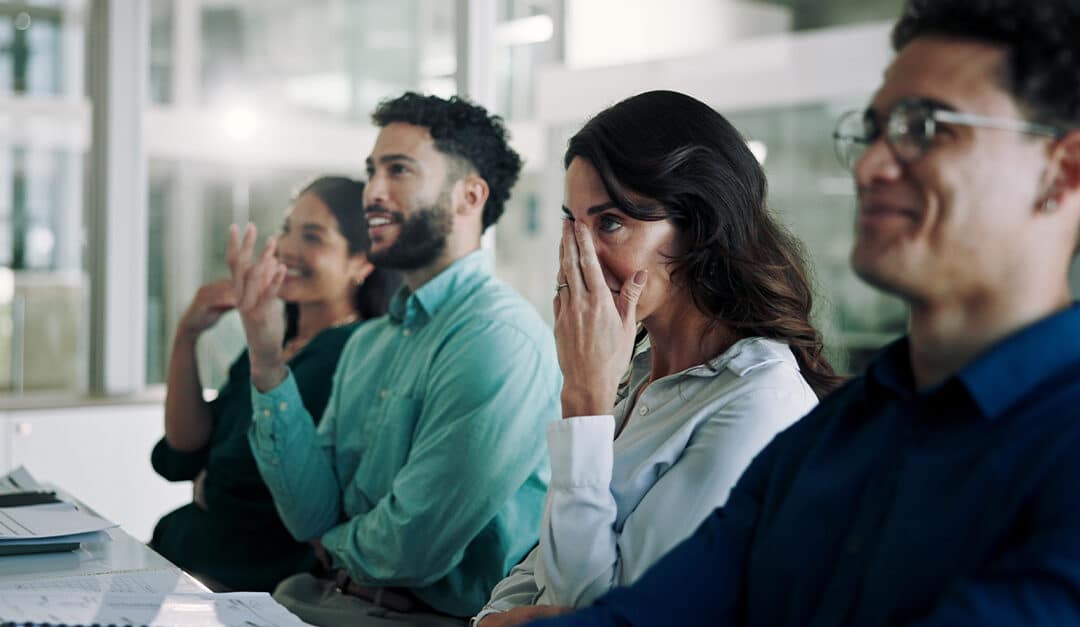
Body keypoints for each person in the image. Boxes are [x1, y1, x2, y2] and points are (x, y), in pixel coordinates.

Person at [526, 1, 1080, 625]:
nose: (869, 165)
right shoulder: (836, 433)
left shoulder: (1058, 443)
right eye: (872, 132)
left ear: (1062, 173)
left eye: (926, 128)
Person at [472, 90, 839, 627]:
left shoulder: (759, 403)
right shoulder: (637, 375)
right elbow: (534, 571)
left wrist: (585, 402)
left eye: (611, 223)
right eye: (573, 223)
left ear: (698, 231)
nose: (580, 255)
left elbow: (605, 614)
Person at [228, 92, 562, 626]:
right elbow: (308, 514)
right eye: (371, 171)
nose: (372, 193)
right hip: (323, 600)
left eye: (399, 170)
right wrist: (267, 360)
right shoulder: (369, 342)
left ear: (468, 197)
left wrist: (331, 544)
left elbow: (412, 547)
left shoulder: (498, 337)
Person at [150, 177, 401, 592]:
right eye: (286, 228)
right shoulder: (281, 345)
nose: (286, 247)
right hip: (187, 558)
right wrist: (187, 335)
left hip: (247, 581)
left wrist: (212, 478)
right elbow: (185, 450)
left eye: (313, 236)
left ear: (362, 262)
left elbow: (251, 478)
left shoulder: (352, 355)